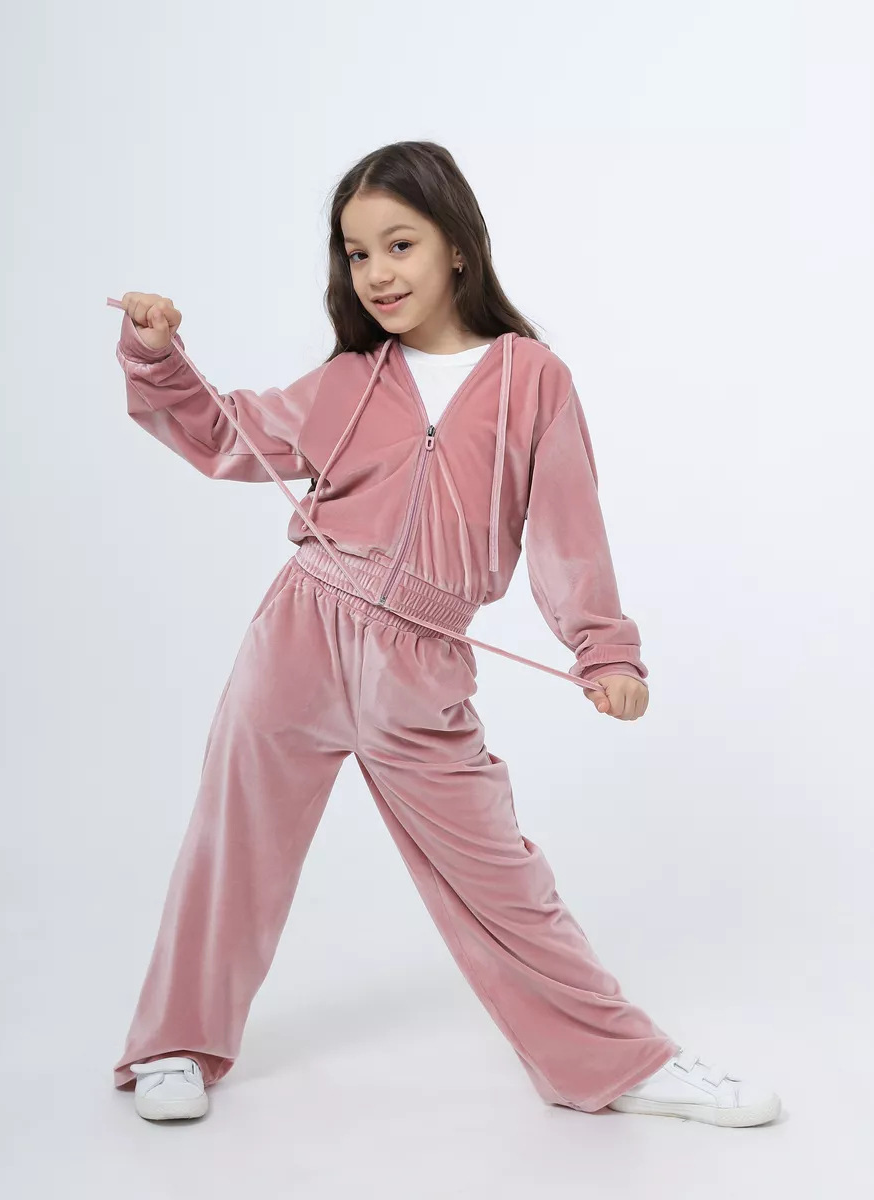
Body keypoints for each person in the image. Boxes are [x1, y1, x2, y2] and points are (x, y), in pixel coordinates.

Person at [110, 140, 781, 1128]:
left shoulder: (531, 379)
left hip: (420, 663)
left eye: (400, 245)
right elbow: (223, 433)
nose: (377, 274)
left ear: (458, 247)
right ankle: (174, 1044)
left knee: (501, 875)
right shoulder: (350, 379)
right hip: (300, 634)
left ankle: (617, 1063)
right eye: (356, 254)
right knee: (231, 845)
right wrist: (158, 357)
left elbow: (568, 527)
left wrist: (604, 650)